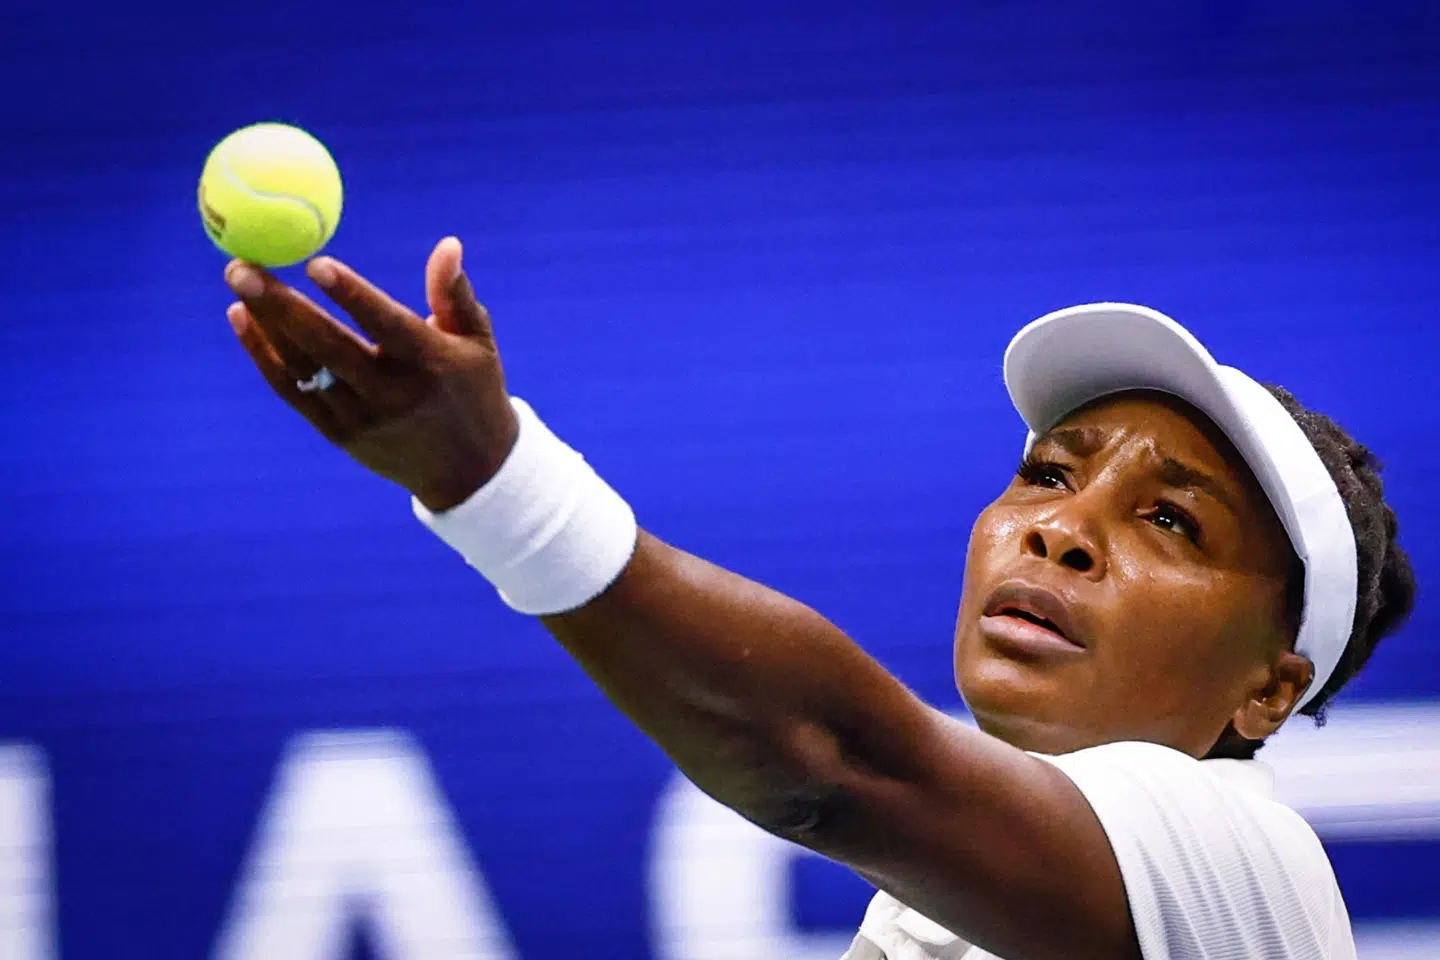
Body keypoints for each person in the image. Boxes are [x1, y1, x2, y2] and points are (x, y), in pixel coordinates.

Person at [220, 237, 1414, 960]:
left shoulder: (1242, 857)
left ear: (1270, 690)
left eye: (1170, 521)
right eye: (1046, 473)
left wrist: (497, 485)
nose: (1060, 529)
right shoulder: (933, 911)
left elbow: (831, 762)